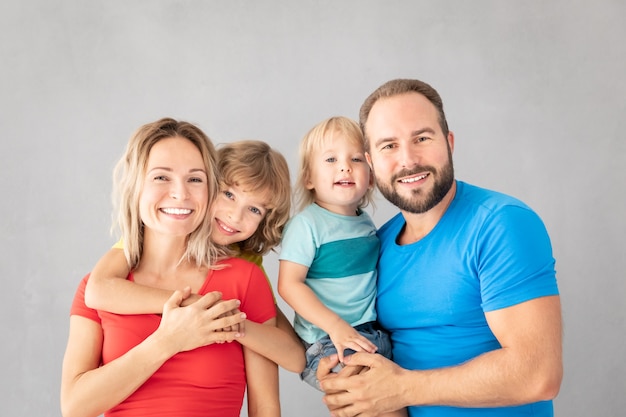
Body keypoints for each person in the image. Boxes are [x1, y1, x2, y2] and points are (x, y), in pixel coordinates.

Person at [316, 79, 563, 417]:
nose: (408, 159)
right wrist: (350, 389)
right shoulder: (379, 244)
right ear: (371, 161)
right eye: (389, 146)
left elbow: (537, 375)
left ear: (449, 142)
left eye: (422, 138)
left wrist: (401, 388)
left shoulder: (501, 224)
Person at [60, 119, 280, 417]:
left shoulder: (244, 278)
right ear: (136, 186)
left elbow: (266, 407)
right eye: (162, 177)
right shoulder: (99, 287)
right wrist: (169, 340)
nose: (180, 193)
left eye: (195, 179)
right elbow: (74, 407)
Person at [83, 139, 305, 373]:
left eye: (254, 209)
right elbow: (97, 290)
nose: (235, 216)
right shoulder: (162, 234)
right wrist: (194, 303)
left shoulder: (246, 263)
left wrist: (229, 322)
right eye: (228, 194)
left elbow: (294, 357)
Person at [277, 116, 405, 416]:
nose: (345, 167)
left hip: (370, 335)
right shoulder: (307, 224)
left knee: (397, 403)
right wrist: (336, 327)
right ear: (309, 178)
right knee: (377, 406)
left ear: (371, 176)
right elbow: (289, 284)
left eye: (356, 159)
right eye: (331, 159)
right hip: (328, 341)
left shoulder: (364, 223)